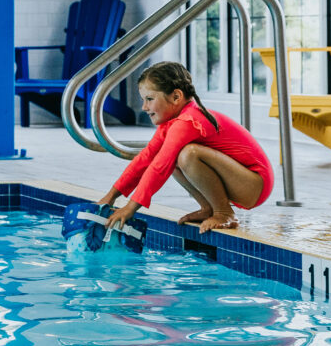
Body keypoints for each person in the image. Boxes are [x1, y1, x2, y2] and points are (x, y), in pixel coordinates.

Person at [97, 61, 274, 234]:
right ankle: (208, 207)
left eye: (150, 99)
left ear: (176, 97)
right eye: (143, 100)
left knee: (188, 154)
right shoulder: (171, 124)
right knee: (175, 157)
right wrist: (111, 196)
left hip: (255, 184)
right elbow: (145, 159)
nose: (144, 107)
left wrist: (130, 208)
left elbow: (159, 168)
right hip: (243, 181)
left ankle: (224, 213)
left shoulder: (188, 121)